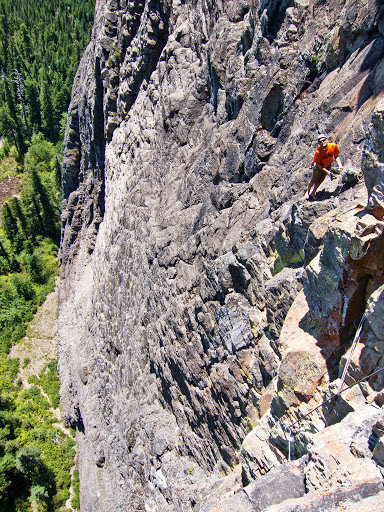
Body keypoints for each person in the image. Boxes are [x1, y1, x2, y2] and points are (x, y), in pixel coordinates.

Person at [306, 134, 343, 199]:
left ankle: (313, 192)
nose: (322, 142)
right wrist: (327, 172)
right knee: (314, 180)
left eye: (323, 140)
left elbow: (336, 156)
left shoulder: (333, 146)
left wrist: (340, 165)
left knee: (320, 180)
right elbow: (317, 163)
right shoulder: (318, 152)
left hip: (328, 165)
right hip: (319, 167)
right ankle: (307, 192)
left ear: (327, 140)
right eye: (320, 142)